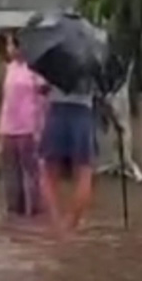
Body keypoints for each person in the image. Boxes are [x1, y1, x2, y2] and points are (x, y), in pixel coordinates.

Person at [0, 32, 46, 218]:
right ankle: (15, 212)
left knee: (31, 174)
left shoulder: (35, 71)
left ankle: (36, 212)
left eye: (13, 45)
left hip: (28, 129)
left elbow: (43, 100)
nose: (10, 49)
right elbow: (2, 101)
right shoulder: (7, 70)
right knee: (11, 175)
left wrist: (40, 128)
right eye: (8, 45)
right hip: (8, 129)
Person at [39, 72, 97, 234]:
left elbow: (42, 85)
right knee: (84, 173)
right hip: (83, 112)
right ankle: (72, 225)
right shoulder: (94, 53)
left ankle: (56, 224)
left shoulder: (54, 53)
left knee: (48, 174)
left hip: (57, 111)